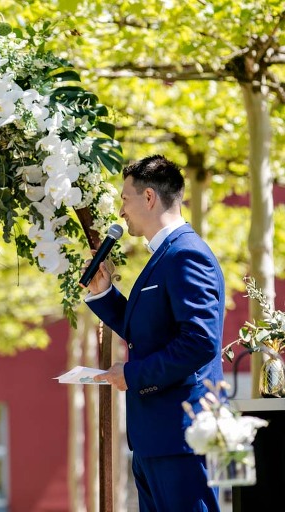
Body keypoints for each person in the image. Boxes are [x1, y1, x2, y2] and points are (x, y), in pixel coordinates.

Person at [84, 155, 224, 511]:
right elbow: (148, 333)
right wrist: (103, 293)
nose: (120, 211)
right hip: (154, 439)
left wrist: (131, 375)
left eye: (124, 199)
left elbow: (199, 341)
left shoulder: (186, 255)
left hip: (181, 437)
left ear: (148, 198)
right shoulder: (165, 256)